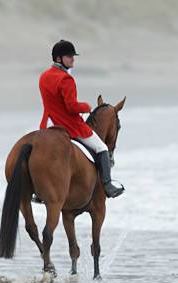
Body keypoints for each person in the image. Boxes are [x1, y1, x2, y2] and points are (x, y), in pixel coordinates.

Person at [38, 39, 124, 198]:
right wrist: (86, 106)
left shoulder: (43, 76)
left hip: (48, 123)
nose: (73, 59)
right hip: (69, 125)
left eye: (73, 56)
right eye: (69, 56)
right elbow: (71, 107)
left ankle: (38, 191)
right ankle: (108, 186)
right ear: (58, 59)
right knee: (102, 148)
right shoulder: (66, 79)